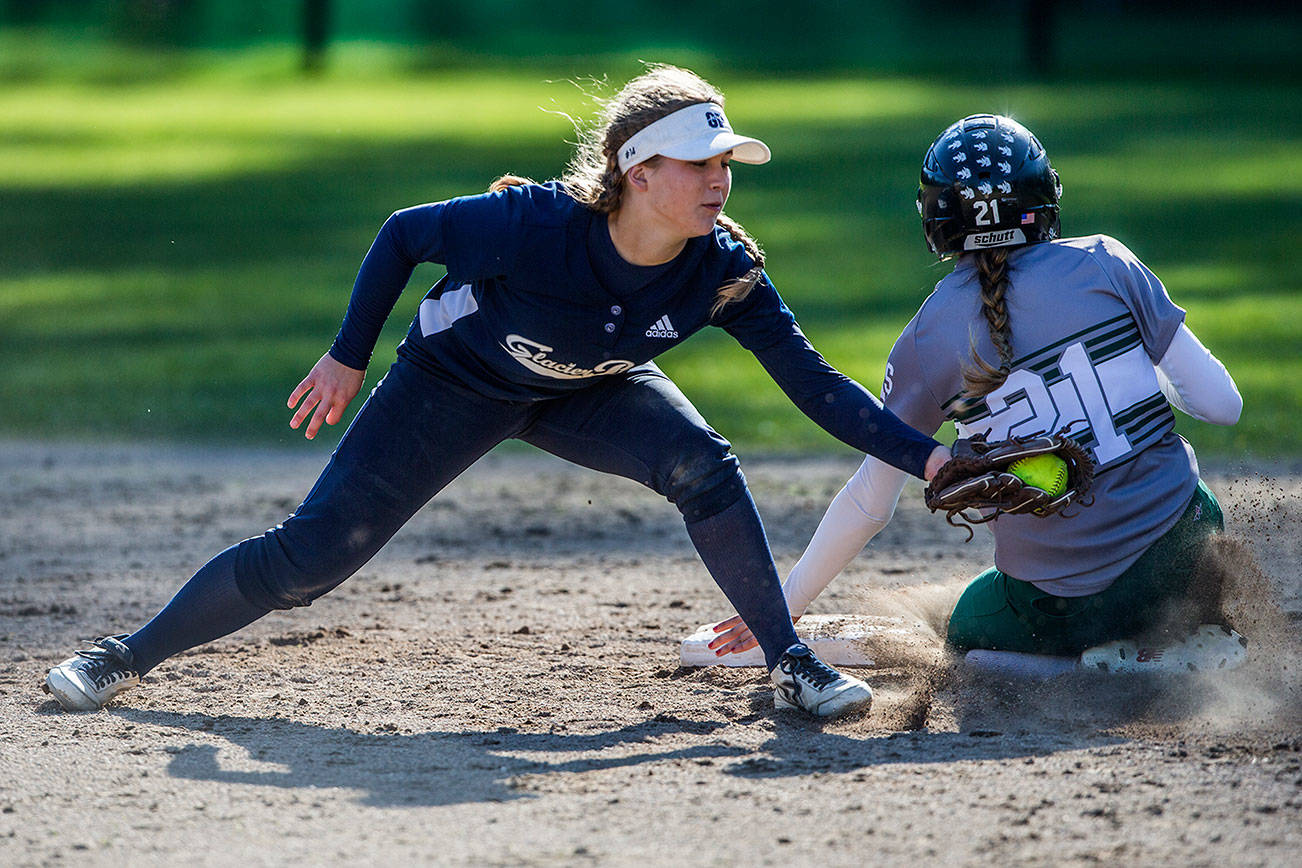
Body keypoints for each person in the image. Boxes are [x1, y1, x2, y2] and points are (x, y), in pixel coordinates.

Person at [44, 65, 950, 718]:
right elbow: (404, 235)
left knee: (703, 465)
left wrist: (931, 458)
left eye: (726, 164)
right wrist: (347, 355)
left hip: (589, 386)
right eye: (699, 163)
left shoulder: (720, 271)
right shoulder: (534, 228)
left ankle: (790, 663)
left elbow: (819, 388)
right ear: (639, 174)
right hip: (456, 381)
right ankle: (122, 656)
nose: (721, 179)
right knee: (311, 560)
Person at [708, 113, 1242, 662]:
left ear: (934, 216)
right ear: (1045, 195)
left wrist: (785, 602)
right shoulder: (1107, 262)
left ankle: (1090, 672)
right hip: (1186, 557)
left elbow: (871, 500)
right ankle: (1175, 639)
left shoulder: (926, 336)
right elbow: (1222, 406)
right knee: (1182, 512)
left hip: (1063, 611)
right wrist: (1123, 376)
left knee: (964, 632)